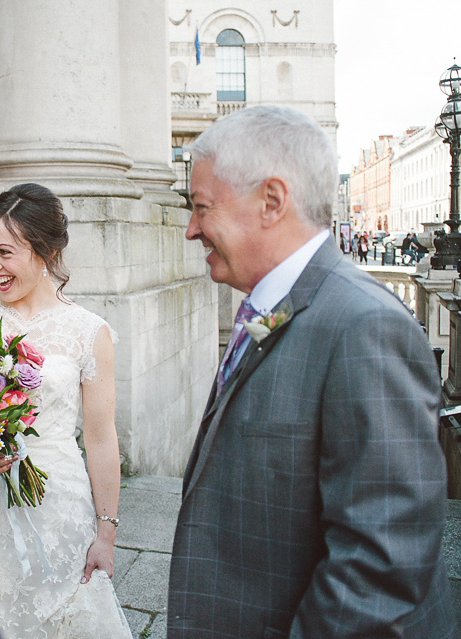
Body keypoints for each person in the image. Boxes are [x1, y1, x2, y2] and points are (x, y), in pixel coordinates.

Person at [171, 105, 456, 637]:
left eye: (201, 207)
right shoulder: (278, 304)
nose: (191, 229)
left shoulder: (365, 327)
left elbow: (379, 569)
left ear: (272, 201)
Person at [0, 183, 132, 638]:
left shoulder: (89, 332)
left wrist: (105, 534)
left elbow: (100, 437)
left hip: (59, 502)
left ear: (45, 250)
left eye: (5, 252)